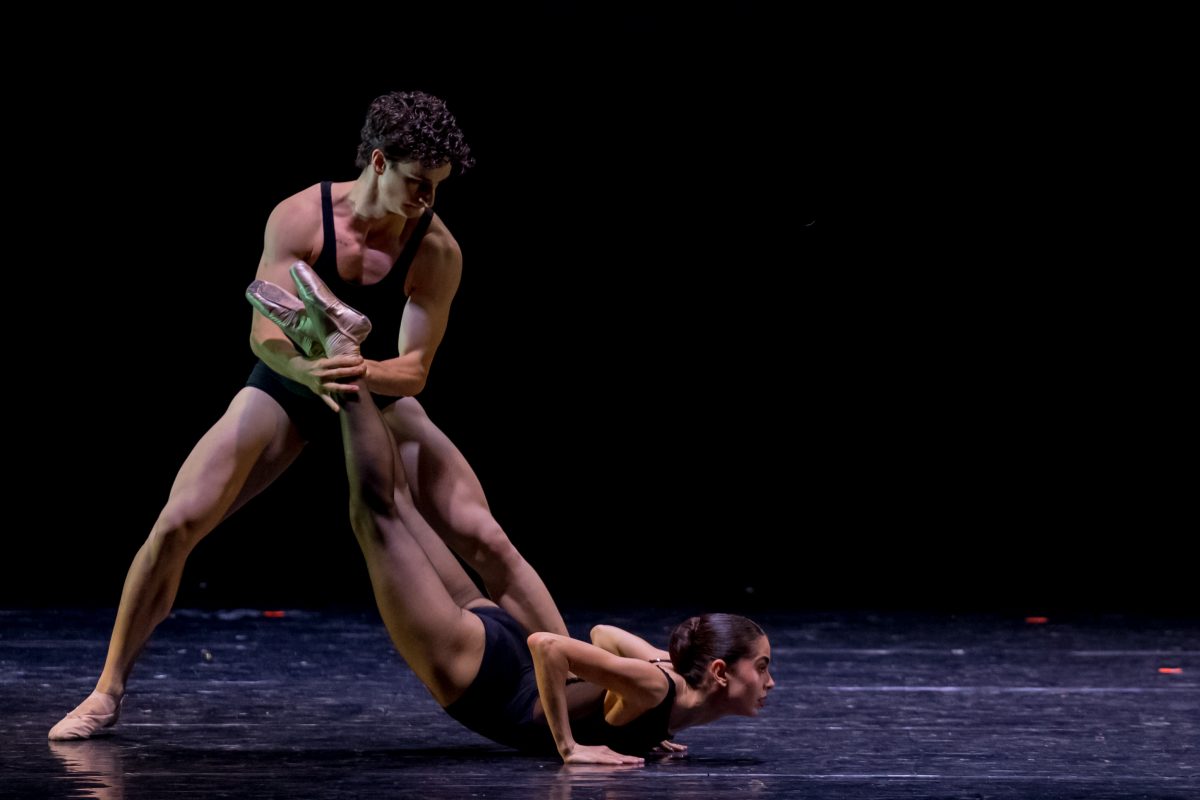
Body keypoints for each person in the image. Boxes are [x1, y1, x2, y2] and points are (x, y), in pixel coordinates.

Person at [49, 91, 567, 741]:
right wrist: (308, 372)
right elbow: (263, 335)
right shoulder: (301, 216)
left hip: (375, 392)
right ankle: (106, 691)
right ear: (378, 162)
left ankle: (585, 679)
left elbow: (414, 369)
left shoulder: (435, 249)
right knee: (177, 522)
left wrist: (354, 371)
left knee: (486, 538)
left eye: (437, 187)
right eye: (417, 183)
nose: (427, 200)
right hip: (289, 384)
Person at [244, 270, 776, 764]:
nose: (770, 681)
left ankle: (316, 341)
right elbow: (548, 644)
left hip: (502, 652)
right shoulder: (656, 687)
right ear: (720, 672)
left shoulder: (660, 688)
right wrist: (570, 747)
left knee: (400, 509)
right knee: (379, 515)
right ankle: (341, 350)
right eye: (762, 667)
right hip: (481, 675)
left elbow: (604, 633)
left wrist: (640, 726)